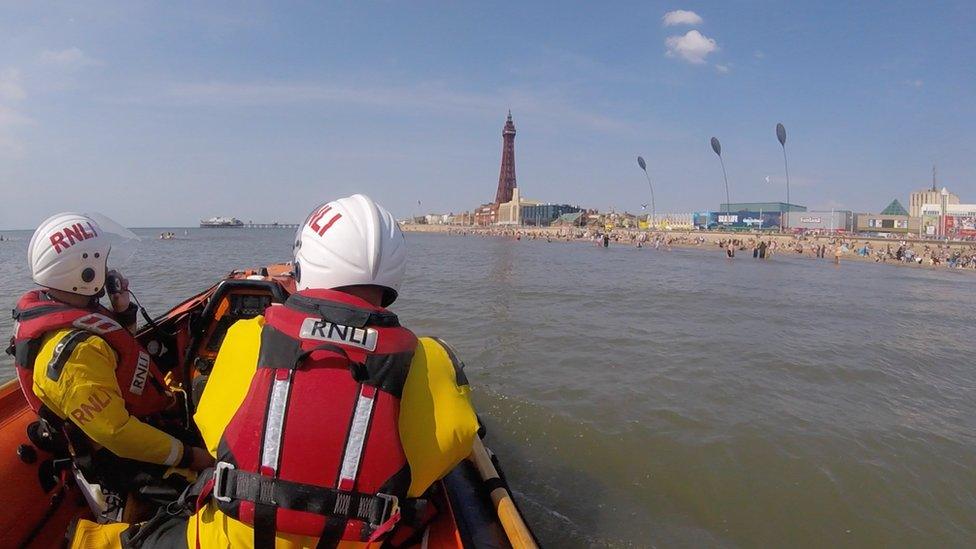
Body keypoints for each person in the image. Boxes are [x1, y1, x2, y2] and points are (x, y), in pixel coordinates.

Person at [78, 195, 479, 548]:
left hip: (231, 540)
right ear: (395, 271)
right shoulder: (431, 361)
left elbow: (214, 432)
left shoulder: (248, 337)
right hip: (353, 542)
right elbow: (448, 448)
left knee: (131, 540)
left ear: (305, 260)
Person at [9, 212, 213, 522]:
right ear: (85, 272)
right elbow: (117, 434)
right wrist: (192, 456)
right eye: (103, 265)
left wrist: (123, 309)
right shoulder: (77, 356)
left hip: (139, 421)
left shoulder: (71, 308)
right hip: (122, 458)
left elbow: (118, 358)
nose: (110, 272)